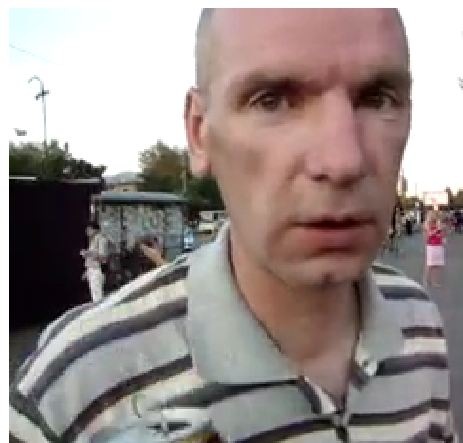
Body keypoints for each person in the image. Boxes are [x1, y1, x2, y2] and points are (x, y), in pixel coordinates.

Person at [10, 9, 457, 442]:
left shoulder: (421, 326)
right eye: (273, 99)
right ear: (199, 131)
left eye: (378, 97)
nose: (343, 161)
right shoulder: (74, 390)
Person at [80, 221, 108, 302]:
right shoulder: (92, 240)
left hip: (97, 270)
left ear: (95, 229)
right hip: (91, 270)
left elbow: (103, 257)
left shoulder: (101, 239)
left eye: (89, 229)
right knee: (94, 295)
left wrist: (88, 253)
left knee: (97, 296)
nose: (87, 232)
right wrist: (87, 271)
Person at [423, 210, 446, 288]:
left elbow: (442, 234)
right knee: (430, 264)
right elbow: (429, 234)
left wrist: (442, 236)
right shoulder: (427, 224)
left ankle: (434, 281)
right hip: (431, 246)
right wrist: (437, 229)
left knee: (437, 265)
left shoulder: (438, 223)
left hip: (439, 245)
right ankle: (426, 280)